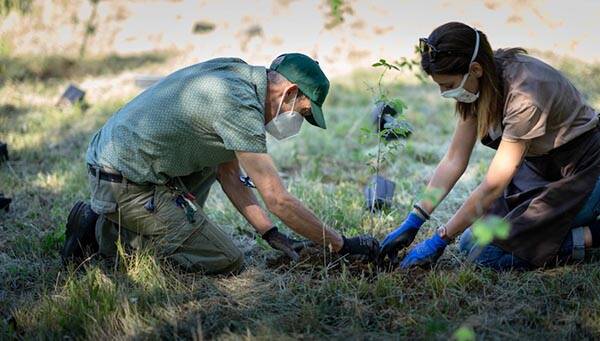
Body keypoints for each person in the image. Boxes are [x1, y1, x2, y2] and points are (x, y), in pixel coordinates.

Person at [61, 53, 379, 274]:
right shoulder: (238, 107)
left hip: (124, 161)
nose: (297, 122)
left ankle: (133, 221)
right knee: (225, 259)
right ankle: (98, 235)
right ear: (290, 91)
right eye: (304, 113)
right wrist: (342, 244)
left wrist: (269, 233)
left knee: (209, 167)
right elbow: (278, 199)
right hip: (124, 180)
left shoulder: (238, 74)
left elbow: (228, 173)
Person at [378, 22, 600, 271]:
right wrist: (415, 218)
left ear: (475, 69)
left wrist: (439, 239)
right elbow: (453, 160)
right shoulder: (478, 86)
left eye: (449, 85)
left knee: (488, 257)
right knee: (469, 243)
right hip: (540, 169)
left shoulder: (525, 97)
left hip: (582, 172)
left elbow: (493, 186)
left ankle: (594, 235)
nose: (444, 93)